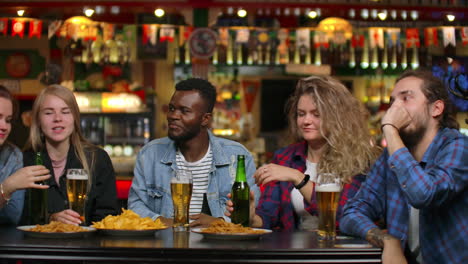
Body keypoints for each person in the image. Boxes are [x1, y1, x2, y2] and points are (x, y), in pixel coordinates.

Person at [340, 70, 468, 263]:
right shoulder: (389, 158)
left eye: (406, 98)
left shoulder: (458, 146)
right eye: (392, 101)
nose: (395, 107)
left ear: (436, 109)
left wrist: (390, 131)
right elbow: (352, 212)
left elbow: (425, 194)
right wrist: (387, 240)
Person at [226, 76, 380, 231]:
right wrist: (252, 217)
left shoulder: (358, 160)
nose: (306, 121)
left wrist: (298, 178)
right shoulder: (285, 157)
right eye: (301, 114)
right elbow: (269, 217)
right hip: (297, 251)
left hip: (342, 250)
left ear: (337, 117)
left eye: (316, 114)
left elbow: (348, 217)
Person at [128, 78, 260, 227]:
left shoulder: (236, 157)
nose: (173, 116)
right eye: (172, 108)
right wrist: (165, 222)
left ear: (205, 119)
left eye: (184, 111)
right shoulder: (150, 154)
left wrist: (220, 223)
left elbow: (252, 211)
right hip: (165, 246)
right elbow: (135, 206)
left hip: (220, 247)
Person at [21, 84, 119, 226]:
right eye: (48, 113)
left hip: (87, 245)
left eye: (65, 112)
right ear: (38, 120)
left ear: (75, 118)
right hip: (38, 246)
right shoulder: (24, 160)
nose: (57, 118)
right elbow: (16, 218)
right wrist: (50, 220)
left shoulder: (98, 159)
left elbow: (108, 217)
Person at [0, 85, 51, 225]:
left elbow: (11, 218)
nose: (4, 126)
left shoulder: (13, 156)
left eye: (8, 120)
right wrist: (7, 187)